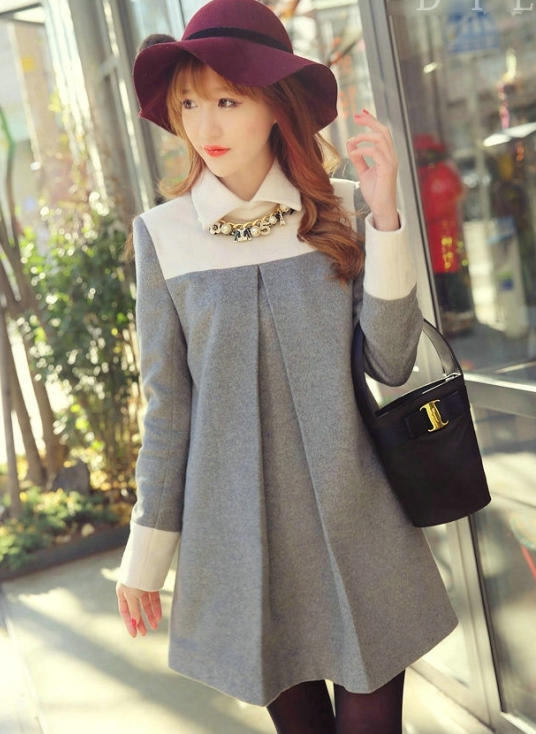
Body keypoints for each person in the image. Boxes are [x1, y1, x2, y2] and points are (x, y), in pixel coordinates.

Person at [115, 0, 458, 731]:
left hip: (358, 517)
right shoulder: (164, 236)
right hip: (242, 540)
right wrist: (145, 557)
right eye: (188, 103)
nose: (203, 125)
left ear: (275, 105)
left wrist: (385, 217)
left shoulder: (342, 211)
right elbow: (168, 406)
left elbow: (392, 358)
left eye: (227, 101)